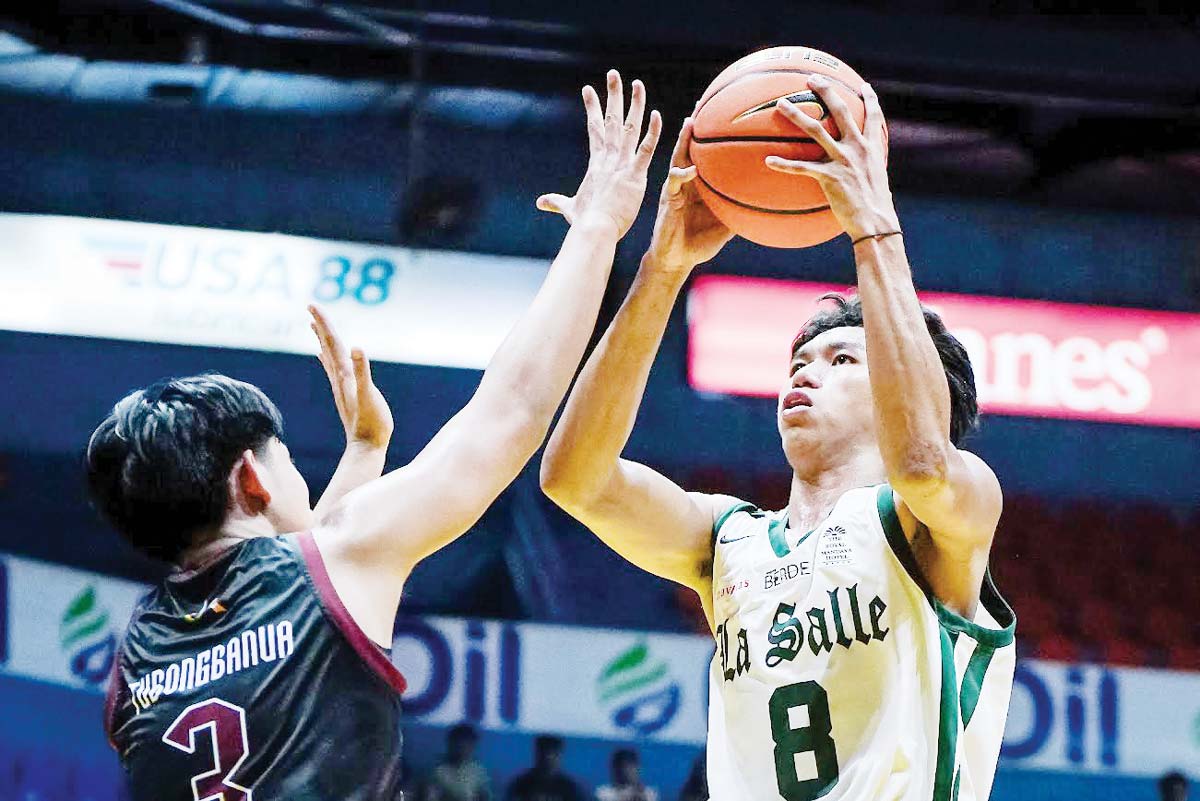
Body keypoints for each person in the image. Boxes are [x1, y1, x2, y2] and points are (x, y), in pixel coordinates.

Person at [90, 70, 662, 801]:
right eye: (287, 461)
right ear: (252, 479)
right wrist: (597, 231)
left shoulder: (137, 654)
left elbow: (302, 581)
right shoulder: (338, 558)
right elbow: (511, 409)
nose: (298, 477)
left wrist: (364, 451)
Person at [540, 73, 1015, 801]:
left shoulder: (943, 513)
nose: (805, 372)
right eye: (799, 360)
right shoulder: (728, 540)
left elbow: (921, 463)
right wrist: (664, 267)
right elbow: (574, 478)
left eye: (842, 358)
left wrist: (872, 228)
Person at [423, 724, 492, 801]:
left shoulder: (479, 771)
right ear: (451, 743)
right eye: (460, 743)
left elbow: (485, 796)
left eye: (469, 743)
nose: (464, 747)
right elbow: (431, 798)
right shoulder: (437, 770)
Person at [505, 735, 583, 801]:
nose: (548, 757)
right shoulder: (520, 785)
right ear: (537, 753)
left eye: (553, 752)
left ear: (560, 754)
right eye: (544, 751)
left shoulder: (570, 788)